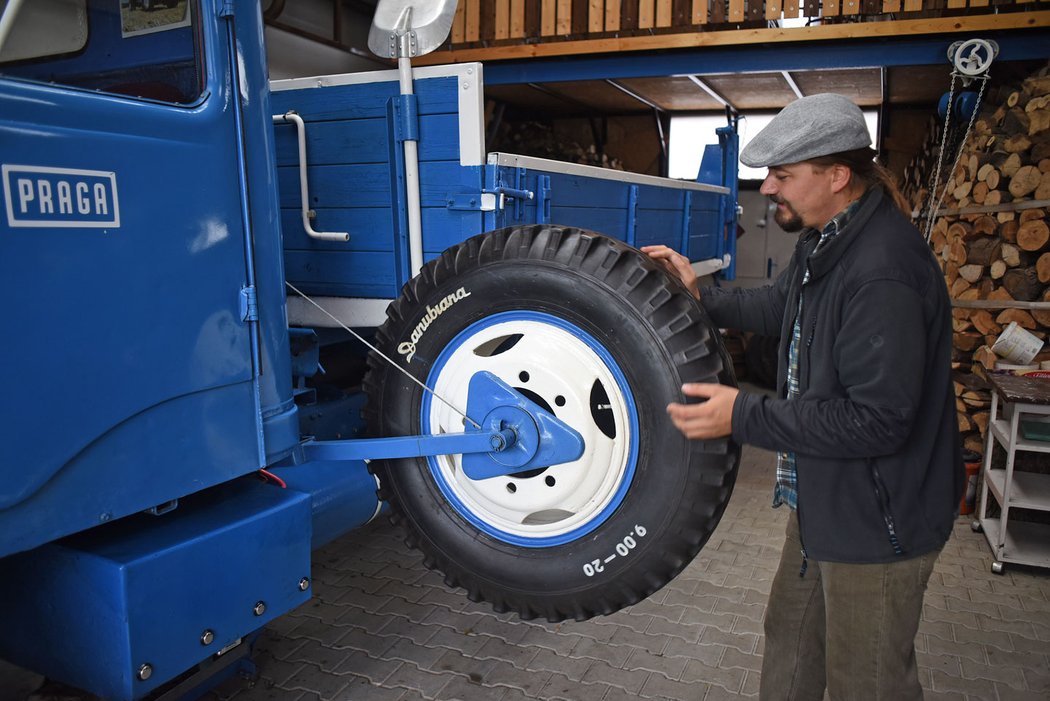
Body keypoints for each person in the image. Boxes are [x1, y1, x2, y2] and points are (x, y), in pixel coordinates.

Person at [644, 93, 962, 701]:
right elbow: (781, 304)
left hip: (879, 516)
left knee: (865, 681)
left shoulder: (883, 270)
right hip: (826, 498)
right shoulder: (828, 238)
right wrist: (698, 295)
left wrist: (742, 413)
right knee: (790, 642)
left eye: (783, 175)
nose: (766, 188)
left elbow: (876, 422)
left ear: (836, 175)